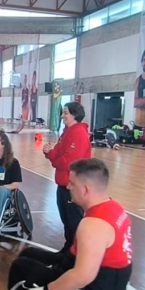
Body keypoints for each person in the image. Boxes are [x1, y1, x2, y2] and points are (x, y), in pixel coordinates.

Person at [9, 158, 132, 290]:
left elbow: (83, 276)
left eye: (72, 183)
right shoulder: (114, 207)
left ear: (85, 189)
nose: (68, 187)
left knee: (20, 267)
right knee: (30, 253)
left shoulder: (93, 225)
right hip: (107, 279)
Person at [43, 102, 91, 250]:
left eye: (66, 113)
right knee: (66, 220)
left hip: (73, 186)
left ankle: (77, 252)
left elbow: (69, 162)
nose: (62, 116)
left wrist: (53, 159)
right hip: (63, 184)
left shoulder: (78, 133)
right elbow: (58, 152)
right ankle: (69, 248)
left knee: (74, 221)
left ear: (74, 115)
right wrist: (50, 153)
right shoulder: (67, 132)